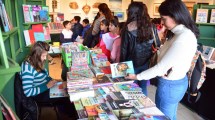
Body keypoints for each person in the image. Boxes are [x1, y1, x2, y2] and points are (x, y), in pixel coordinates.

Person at [125, 0, 199, 119]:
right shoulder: (180, 33)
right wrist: (159, 52)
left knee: (163, 116)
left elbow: (160, 68)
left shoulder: (182, 37)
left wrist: (136, 77)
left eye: (164, 18)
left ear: (175, 16)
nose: (162, 22)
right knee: (168, 114)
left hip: (170, 85)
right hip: (174, 82)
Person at [20, 41, 77, 118]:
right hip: (39, 94)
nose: (45, 58)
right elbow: (28, 92)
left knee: (68, 88)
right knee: (68, 95)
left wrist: (54, 81)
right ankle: (67, 114)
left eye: (46, 55)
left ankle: (65, 111)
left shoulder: (36, 60)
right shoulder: (27, 68)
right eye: (43, 56)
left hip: (47, 87)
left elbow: (45, 76)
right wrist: (47, 86)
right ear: (36, 54)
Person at [120, 2, 154, 96]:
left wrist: (121, 67)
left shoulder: (128, 28)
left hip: (130, 64)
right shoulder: (151, 26)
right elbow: (156, 44)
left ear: (131, 12)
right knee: (143, 87)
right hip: (146, 62)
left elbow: (123, 50)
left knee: (130, 88)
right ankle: (144, 106)